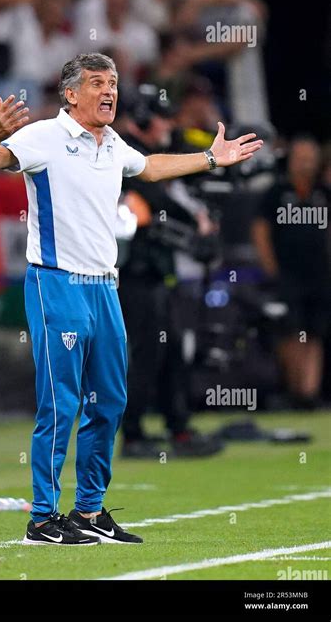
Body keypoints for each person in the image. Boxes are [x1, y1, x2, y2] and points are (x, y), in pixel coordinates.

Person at [0, 52, 263, 546]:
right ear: (70, 94)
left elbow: (147, 167)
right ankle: (42, 518)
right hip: (57, 282)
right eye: (97, 83)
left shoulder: (110, 143)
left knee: (111, 400)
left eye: (113, 83)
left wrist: (212, 158)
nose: (110, 91)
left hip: (105, 286)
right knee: (61, 404)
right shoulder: (43, 136)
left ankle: (88, 511)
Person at [117, 87, 223, 458]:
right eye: (160, 116)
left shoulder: (155, 147)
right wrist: (194, 219)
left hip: (156, 268)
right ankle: (132, 434)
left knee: (172, 348)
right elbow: (153, 191)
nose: (167, 124)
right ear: (142, 118)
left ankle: (176, 426)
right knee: (147, 351)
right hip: (130, 270)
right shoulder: (120, 149)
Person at [251, 136, 330, 409]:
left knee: (316, 332)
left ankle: (309, 392)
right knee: (291, 331)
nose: (306, 163)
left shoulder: (323, 191)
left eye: (310, 158)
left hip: (320, 273)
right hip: (287, 273)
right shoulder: (276, 192)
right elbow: (261, 230)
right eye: (301, 157)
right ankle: (293, 389)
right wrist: (270, 266)